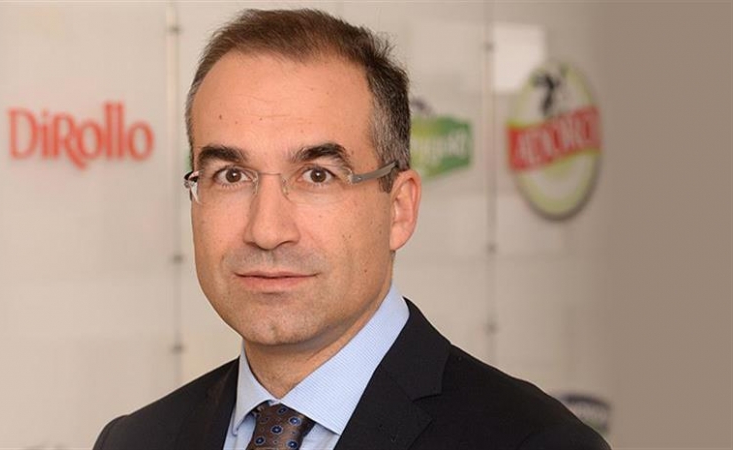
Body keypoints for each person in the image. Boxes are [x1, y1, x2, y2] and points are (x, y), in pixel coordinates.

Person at [94, 9, 610, 450]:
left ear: (399, 209)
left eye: (317, 176)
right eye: (231, 176)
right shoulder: (136, 441)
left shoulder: (533, 442)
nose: (266, 230)